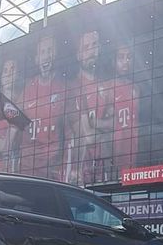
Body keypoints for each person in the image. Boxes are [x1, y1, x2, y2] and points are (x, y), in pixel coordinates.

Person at [66, 29, 113, 185]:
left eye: (94, 45)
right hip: (79, 174)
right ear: (78, 55)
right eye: (86, 48)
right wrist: (107, 128)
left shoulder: (105, 85)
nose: (91, 51)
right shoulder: (73, 87)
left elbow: (117, 123)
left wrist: (96, 123)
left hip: (101, 170)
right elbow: (88, 136)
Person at [22, 34, 66, 180]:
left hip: (52, 170)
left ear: (56, 54)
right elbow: (12, 132)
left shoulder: (65, 88)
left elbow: (74, 131)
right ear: (37, 59)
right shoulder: (26, 90)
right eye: (42, 52)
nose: (46, 56)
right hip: (27, 171)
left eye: (50, 51)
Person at [109, 44, 138, 179]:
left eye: (129, 57)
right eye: (121, 57)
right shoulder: (108, 88)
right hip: (115, 149)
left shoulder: (136, 89)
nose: (125, 61)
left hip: (133, 150)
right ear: (114, 61)